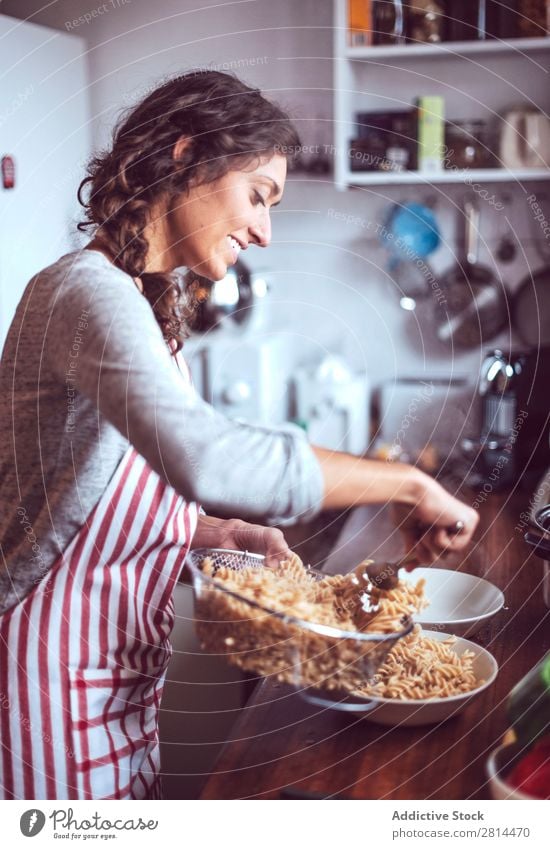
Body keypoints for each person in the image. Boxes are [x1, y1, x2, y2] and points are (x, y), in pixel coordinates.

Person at [0, 70, 478, 801]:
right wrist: (409, 482)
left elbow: (100, 482)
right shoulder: (85, 291)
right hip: (48, 677)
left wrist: (211, 531)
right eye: (258, 195)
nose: (263, 230)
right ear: (187, 156)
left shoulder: (147, 305)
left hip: (117, 678)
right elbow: (207, 457)